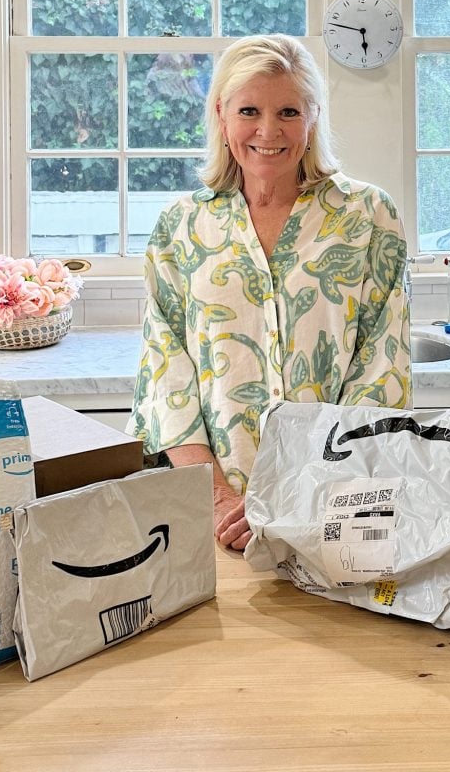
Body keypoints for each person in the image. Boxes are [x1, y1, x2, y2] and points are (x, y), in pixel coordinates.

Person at [127, 34, 411, 552]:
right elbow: (165, 370)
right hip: (212, 515)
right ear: (221, 113)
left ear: (314, 116)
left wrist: (303, 490)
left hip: (331, 506)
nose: (267, 131)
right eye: (249, 110)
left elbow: (382, 368)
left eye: (288, 112)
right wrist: (214, 496)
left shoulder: (368, 216)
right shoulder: (181, 226)